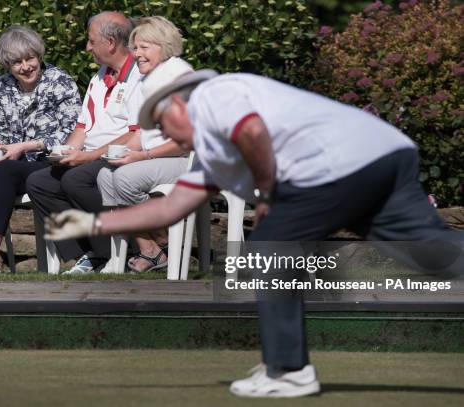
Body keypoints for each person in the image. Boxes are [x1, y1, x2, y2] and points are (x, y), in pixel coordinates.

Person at [42, 60, 463, 397]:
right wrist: (96, 221)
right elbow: (169, 209)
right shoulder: (212, 148)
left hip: (337, 166)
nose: (166, 137)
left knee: (268, 249)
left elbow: (253, 130)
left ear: (177, 106)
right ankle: (287, 366)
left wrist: (267, 195)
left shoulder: (214, 95)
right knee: (429, 252)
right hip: (385, 152)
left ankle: (289, 370)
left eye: (164, 126)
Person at [0, 26, 81, 276]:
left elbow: (72, 133)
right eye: (17, 62)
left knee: (5, 171)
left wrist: (26, 146)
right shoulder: (3, 85)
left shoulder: (59, 80)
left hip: (49, 161)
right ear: (8, 65)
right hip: (14, 163)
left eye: (30, 58)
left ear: (38, 55)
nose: (26, 66)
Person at [26, 11, 143, 275]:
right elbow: (82, 127)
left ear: (110, 42)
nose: (87, 47)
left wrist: (87, 158)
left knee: (75, 179)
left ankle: (129, 248)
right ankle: (89, 253)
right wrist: (66, 152)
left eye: (91, 41)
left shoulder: (139, 76)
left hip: (122, 155)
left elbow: (136, 134)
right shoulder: (98, 77)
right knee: (39, 181)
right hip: (93, 156)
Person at [97, 16, 188, 273]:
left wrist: (141, 157)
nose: (137, 54)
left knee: (125, 178)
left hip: (186, 160)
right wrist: (123, 151)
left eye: (145, 47)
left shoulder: (179, 78)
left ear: (165, 46)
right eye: (136, 48)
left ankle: (162, 238)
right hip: (159, 157)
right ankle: (150, 250)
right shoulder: (151, 80)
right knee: (105, 174)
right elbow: (142, 134)